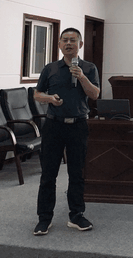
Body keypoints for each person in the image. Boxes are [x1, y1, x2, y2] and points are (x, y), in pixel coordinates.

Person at [32, 28, 100, 236]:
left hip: (78, 125)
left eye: (73, 40)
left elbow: (95, 95)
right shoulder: (50, 68)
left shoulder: (89, 68)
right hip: (54, 125)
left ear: (80, 45)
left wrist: (82, 77)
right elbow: (37, 94)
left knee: (77, 173)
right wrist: (49, 99)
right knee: (48, 174)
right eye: (65, 40)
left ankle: (76, 215)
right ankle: (44, 218)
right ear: (60, 44)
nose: (69, 43)